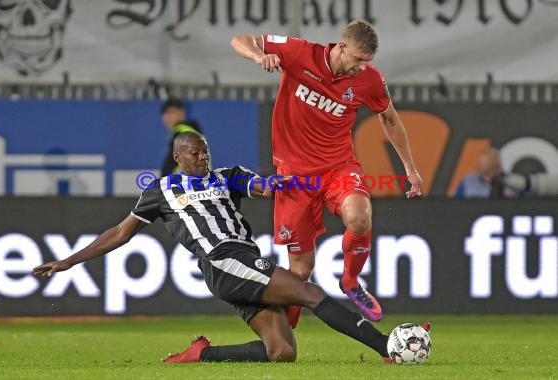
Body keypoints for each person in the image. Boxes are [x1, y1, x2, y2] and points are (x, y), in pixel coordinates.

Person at [32, 132, 393, 364]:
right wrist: (68, 262)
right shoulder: (161, 191)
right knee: (311, 293)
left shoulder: (227, 174)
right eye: (195, 153)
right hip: (223, 260)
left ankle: (204, 354)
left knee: (281, 352)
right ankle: (386, 348)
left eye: (205, 151)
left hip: (244, 260)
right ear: (179, 157)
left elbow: (261, 185)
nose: (203, 157)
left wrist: (270, 184)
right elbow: (120, 233)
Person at [230, 20, 423, 327]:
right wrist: (257, 55)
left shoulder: (370, 81)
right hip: (294, 176)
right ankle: (284, 340)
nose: (362, 68)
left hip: (338, 168)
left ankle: (350, 280)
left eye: (368, 62)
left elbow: (389, 119)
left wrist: (410, 168)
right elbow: (241, 39)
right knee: (300, 272)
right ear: (341, 47)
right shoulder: (299, 53)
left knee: (360, 218)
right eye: (359, 59)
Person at [159, 97, 205, 175]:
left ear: (182, 113)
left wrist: (160, 184)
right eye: (165, 114)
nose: (167, 117)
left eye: (171, 112)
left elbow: (170, 164)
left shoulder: (182, 134)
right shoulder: (194, 132)